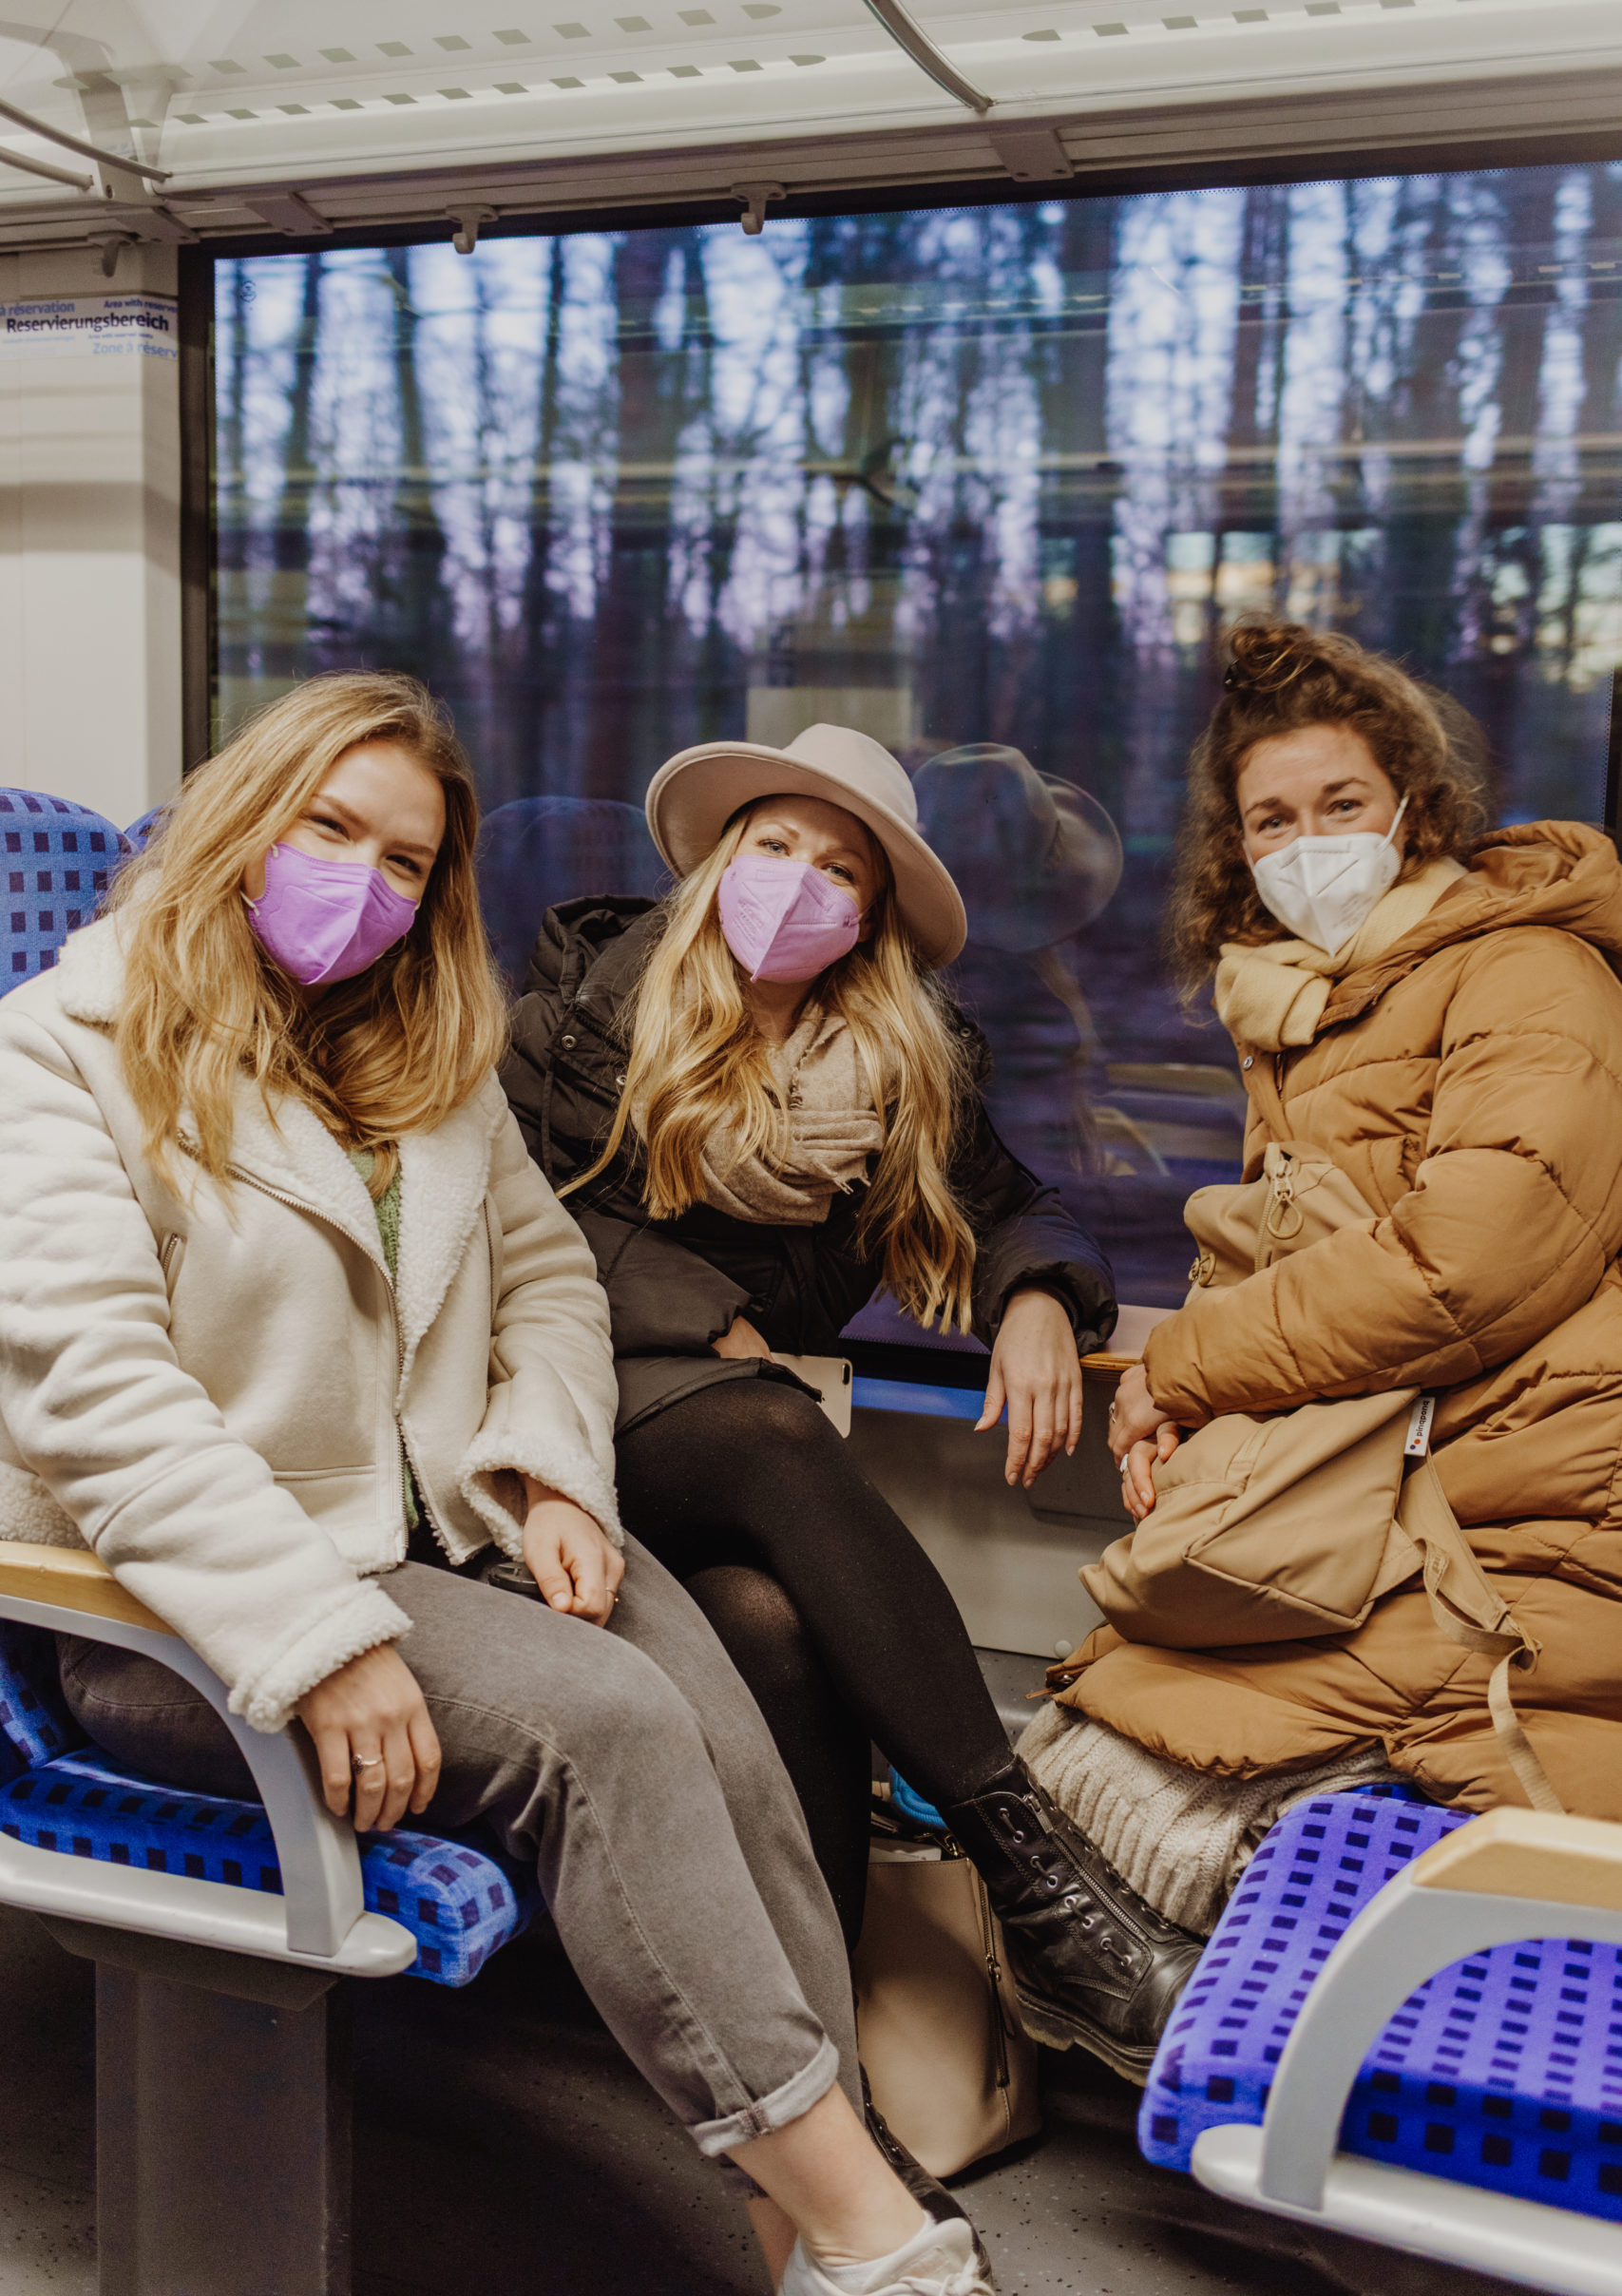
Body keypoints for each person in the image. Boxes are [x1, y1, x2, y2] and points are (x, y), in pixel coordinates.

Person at [0, 673, 1001, 2296]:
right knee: (606, 1727)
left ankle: (806, 2203)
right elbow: (94, 1396)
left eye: (405, 864)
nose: (365, 886)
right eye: (330, 830)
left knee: (723, 1703)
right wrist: (313, 1635)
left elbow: (552, 1289)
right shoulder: (61, 1053)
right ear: (241, 818)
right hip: (190, 1609)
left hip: (450, 1530)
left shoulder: (427, 1063)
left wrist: (546, 1477)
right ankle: (881, 2244)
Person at [502, 721, 1202, 2065]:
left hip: (718, 1435)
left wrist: (1042, 1298)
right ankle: (1038, 1881)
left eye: (840, 869)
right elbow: (510, 1231)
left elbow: (1015, 1210)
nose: (797, 882)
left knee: (771, 1623)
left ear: (869, 917)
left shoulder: (893, 1063)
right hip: (561, 1404)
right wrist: (709, 1317)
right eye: (775, 846)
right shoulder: (571, 1023)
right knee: (768, 1427)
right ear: (717, 861)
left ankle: (809, 2042)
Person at [1027, 619, 1622, 2063]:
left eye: (1340, 806)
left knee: (1096, 1762)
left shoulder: (1528, 977)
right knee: (1080, 1721)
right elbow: (1317, 1276)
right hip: (1407, 1471)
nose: (1309, 845)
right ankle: (1238, 2045)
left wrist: (1179, 1368)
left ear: (1414, 807)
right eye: (1270, 820)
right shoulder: (1307, 1010)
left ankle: (1286, 2054)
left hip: (1514, 1503)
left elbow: (1461, 1267)